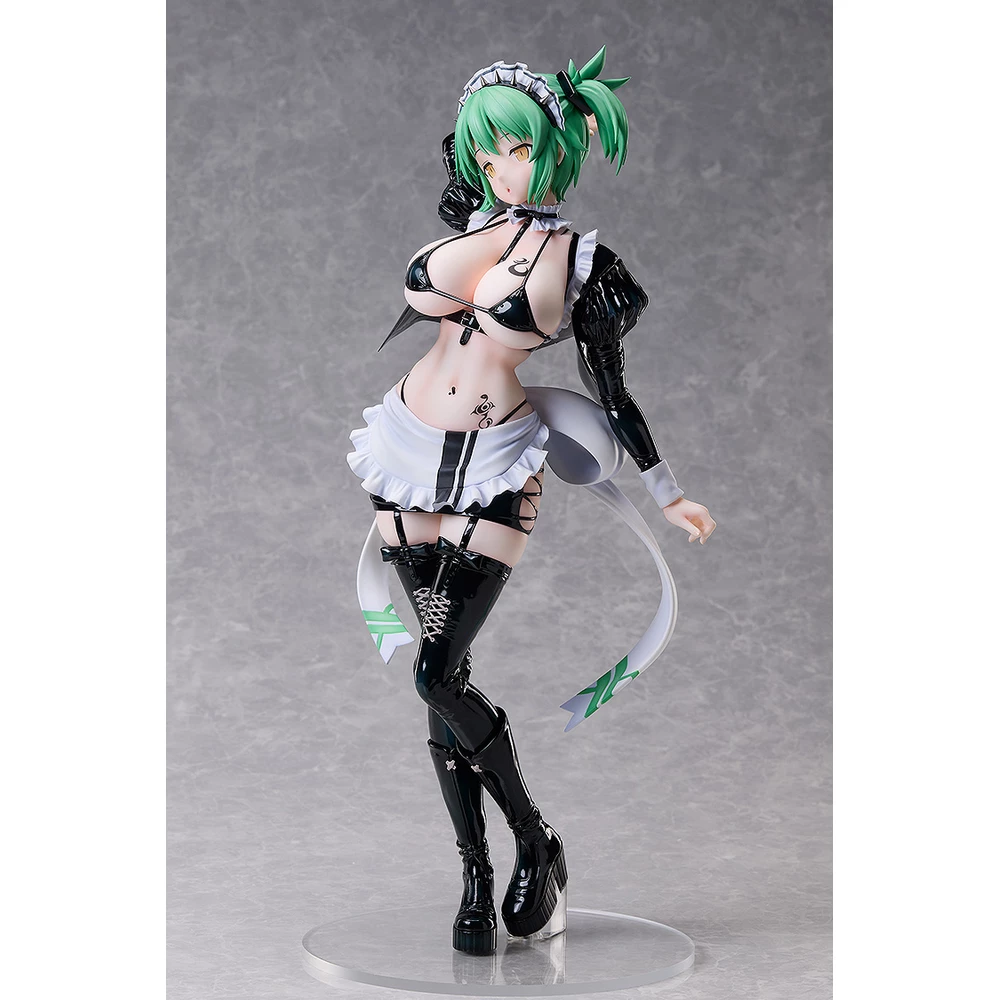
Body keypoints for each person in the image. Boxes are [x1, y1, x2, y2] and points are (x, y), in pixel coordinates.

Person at [347, 48, 716, 956]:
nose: (502, 167)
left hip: (496, 466)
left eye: (518, 148)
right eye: (488, 150)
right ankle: (477, 873)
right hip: (405, 455)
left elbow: (611, 387)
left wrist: (666, 491)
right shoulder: (469, 221)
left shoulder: (584, 263)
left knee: (437, 674)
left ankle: (534, 836)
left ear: (557, 149)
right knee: (441, 686)